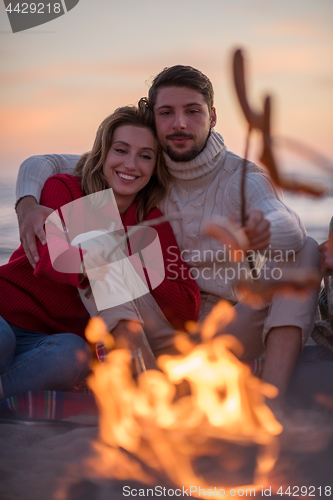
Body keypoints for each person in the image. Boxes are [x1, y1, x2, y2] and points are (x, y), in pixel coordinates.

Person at [14, 65, 320, 407]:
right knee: (95, 223)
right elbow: (46, 163)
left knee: (306, 250)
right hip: (155, 326)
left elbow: (290, 227)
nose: (179, 124)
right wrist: (26, 203)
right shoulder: (143, 163)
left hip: (225, 328)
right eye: (166, 113)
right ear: (154, 120)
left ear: (213, 116)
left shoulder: (241, 177)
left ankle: (273, 399)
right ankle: (145, 385)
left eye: (192, 111)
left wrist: (260, 233)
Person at [0, 101, 200, 400]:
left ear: (155, 166)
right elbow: (52, 259)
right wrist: (128, 256)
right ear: (103, 153)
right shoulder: (66, 188)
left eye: (145, 156)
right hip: (5, 312)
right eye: (121, 150)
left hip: (51, 341)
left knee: (73, 357)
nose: (131, 165)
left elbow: (187, 306)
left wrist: (131, 266)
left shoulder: (152, 220)